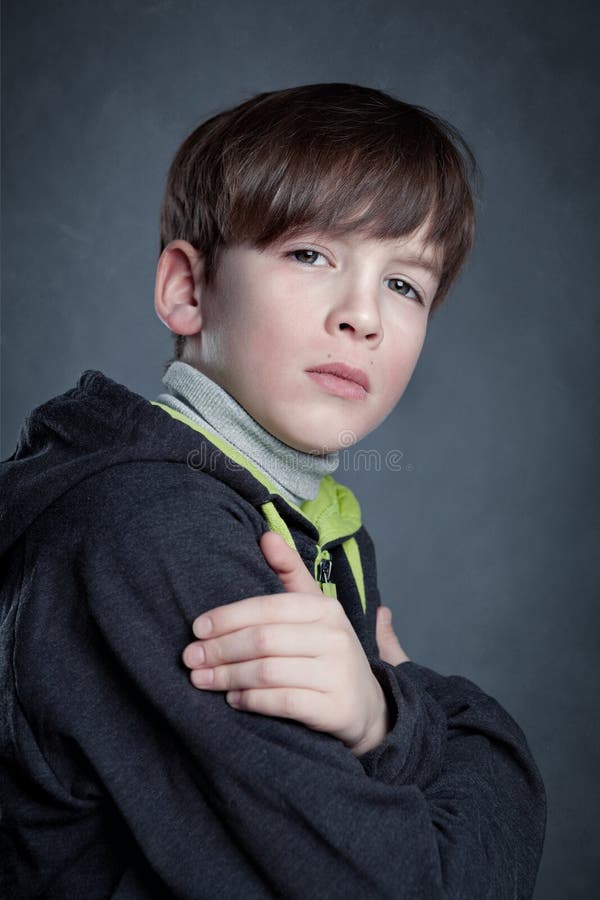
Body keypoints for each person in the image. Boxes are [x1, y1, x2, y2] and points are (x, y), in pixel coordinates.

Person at [0, 83, 546, 898]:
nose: (362, 316)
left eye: (405, 285)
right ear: (188, 289)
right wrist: (423, 721)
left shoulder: (304, 524)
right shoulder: (154, 530)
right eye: (310, 254)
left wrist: (382, 719)